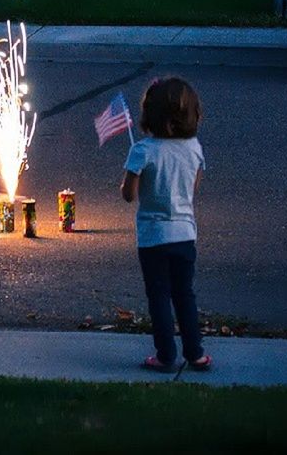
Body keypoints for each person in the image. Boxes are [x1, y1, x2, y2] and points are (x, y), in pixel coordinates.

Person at [121, 77, 212, 373]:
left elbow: (128, 195)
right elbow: (192, 189)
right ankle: (195, 353)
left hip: (152, 237)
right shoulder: (194, 148)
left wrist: (138, 173)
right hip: (185, 234)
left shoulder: (143, 151)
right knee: (184, 294)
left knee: (159, 296)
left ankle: (165, 355)